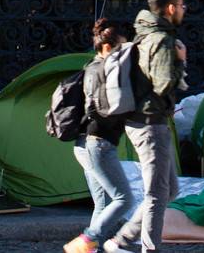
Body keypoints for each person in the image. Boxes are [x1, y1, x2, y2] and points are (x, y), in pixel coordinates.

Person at [104, 0, 187, 253]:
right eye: (182, 5)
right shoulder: (162, 40)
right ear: (171, 8)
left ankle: (122, 239)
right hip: (151, 124)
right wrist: (181, 60)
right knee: (156, 194)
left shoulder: (144, 33)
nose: (184, 10)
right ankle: (144, 247)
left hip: (142, 121)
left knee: (169, 191)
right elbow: (163, 84)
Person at [63, 18, 136, 253]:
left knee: (103, 203)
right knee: (124, 199)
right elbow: (98, 108)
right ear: (108, 47)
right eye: (121, 48)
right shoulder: (104, 69)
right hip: (98, 143)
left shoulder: (91, 67)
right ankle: (88, 239)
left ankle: (91, 249)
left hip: (85, 144)